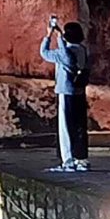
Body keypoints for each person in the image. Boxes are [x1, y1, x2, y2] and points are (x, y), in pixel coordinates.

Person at [39, 17, 90, 172]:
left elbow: (44, 53)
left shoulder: (65, 53)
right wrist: (60, 36)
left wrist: (50, 35)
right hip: (80, 92)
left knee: (66, 128)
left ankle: (68, 160)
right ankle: (81, 159)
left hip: (66, 92)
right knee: (80, 126)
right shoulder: (82, 50)